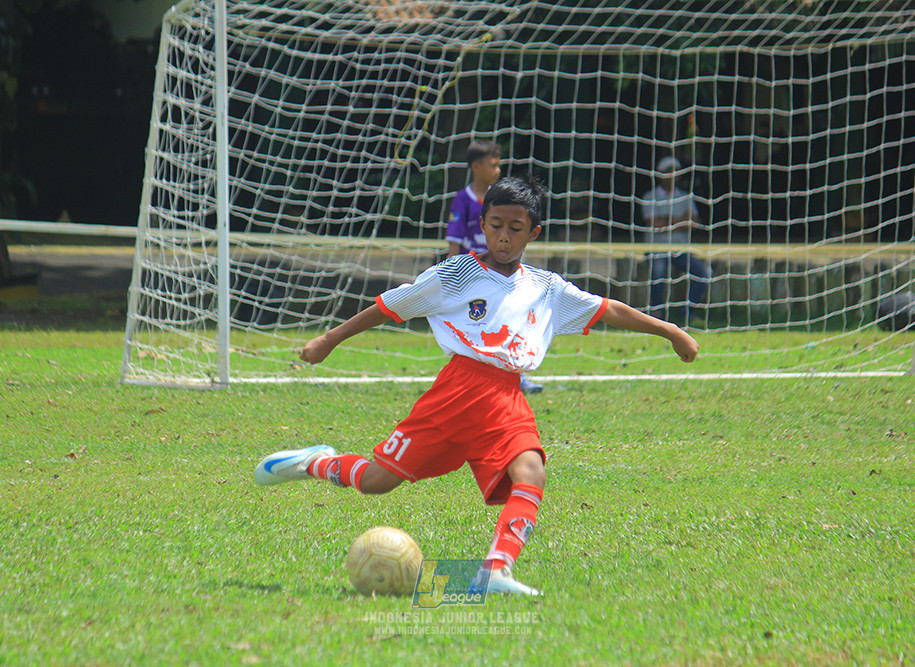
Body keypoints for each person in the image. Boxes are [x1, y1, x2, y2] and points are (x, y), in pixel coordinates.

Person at [254, 177, 699, 596]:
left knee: (532, 471)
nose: (504, 236)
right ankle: (319, 462)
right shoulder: (455, 275)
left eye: (515, 228)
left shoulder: (546, 288)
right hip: (458, 391)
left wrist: (670, 331)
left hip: (509, 396)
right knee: (376, 481)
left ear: (533, 233)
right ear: (482, 225)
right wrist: (329, 340)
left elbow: (608, 310)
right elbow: (391, 306)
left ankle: (496, 569)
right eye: (496, 225)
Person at [446, 139, 543, 394]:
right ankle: (466, 377)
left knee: (511, 321)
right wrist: (453, 273)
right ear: (476, 167)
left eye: (499, 165)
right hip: (474, 276)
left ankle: (517, 376)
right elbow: (454, 240)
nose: (498, 170)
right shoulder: (463, 200)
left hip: (500, 274)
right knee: (473, 328)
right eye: (493, 165)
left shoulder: (503, 201)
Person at [640, 155, 712, 324]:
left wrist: (668, 221)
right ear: (660, 174)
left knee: (705, 273)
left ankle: (688, 312)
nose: (673, 176)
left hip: (681, 250)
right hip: (657, 248)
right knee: (658, 272)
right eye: (668, 172)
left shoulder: (686, 196)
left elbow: (694, 222)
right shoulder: (650, 196)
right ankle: (657, 314)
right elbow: (654, 224)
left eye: (676, 172)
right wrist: (681, 220)